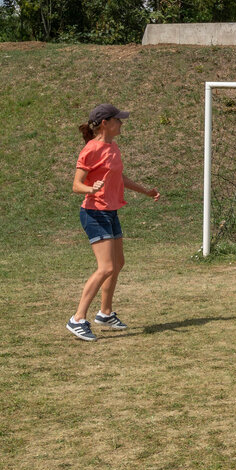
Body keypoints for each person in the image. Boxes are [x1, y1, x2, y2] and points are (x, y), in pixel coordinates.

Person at [68, 103, 160, 342]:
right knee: (106, 267)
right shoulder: (90, 149)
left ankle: (105, 313)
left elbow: (119, 177)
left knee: (118, 263)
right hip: (94, 213)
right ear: (105, 123)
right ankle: (77, 319)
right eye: (118, 120)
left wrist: (144, 191)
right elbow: (76, 185)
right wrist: (91, 187)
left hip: (110, 211)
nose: (122, 123)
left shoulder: (113, 147)